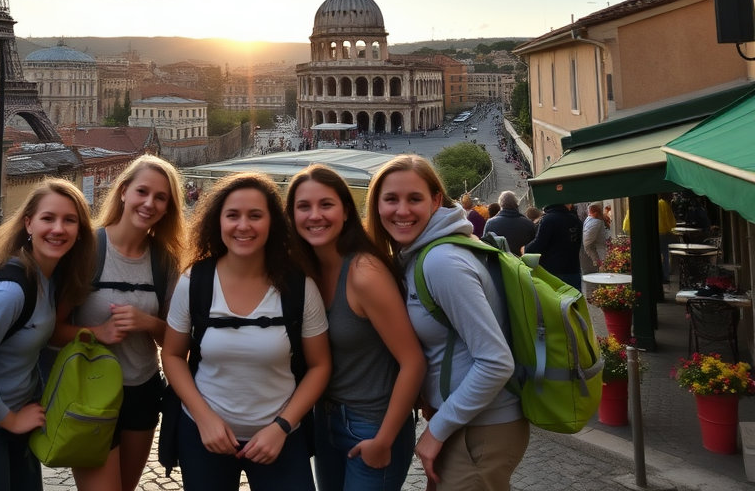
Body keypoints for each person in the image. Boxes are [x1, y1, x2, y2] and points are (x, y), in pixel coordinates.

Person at [161, 172, 331, 491]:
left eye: (255, 215)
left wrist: (282, 426)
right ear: (218, 222)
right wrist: (204, 418)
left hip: (279, 437)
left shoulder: (298, 287)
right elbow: (171, 355)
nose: (243, 226)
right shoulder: (194, 282)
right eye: (233, 215)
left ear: (272, 223)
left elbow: (320, 366)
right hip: (204, 435)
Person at [367, 156, 528, 491]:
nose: (402, 210)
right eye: (391, 199)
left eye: (414, 199)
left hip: (481, 430)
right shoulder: (421, 253)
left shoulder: (442, 262)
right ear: (376, 204)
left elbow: (496, 362)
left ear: (436, 200)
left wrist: (437, 430)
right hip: (468, 424)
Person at [0, 179, 95, 491]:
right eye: (48, 218)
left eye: (70, 220)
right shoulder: (10, 292)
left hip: (12, 423)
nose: (59, 228)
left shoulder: (48, 280)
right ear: (28, 223)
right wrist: (11, 420)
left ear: (80, 230)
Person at [285, 165, 424, 491]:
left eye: (326, 205)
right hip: (326, 420)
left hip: (372, 425)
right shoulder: (305, 271)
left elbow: (413, 361)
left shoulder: (364, 272)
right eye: (303, 206)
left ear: (346, 211)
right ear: (291, 216)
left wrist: (384, 439)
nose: (315, 215)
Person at [52, 155, 185, 491]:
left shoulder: (164, 260)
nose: (149, 203)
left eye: (161, 198)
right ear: (124, 191)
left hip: (141, 391)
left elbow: (174, 342)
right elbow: (51, 331)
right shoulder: (87, 250)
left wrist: (148, 323)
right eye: (142, 191)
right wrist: (97, 333)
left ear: (168, 207)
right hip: (89, 393)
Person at [524, 204, 583, 291]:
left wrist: (525, 249)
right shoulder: (575, 219)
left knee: (556, 301)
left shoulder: (548, 219)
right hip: (573, 269)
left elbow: (539, 243)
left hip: (553, 271)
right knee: (574, 301)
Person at [483, 192, 536, 256]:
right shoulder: (529, 224)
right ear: (516, 204)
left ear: (500, 205)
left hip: (499, 263)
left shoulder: (490, 224)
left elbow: (485, 247)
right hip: (522, 263)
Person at [581, 203, 607, 272]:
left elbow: (587, 240)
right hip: (598, 251)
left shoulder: (594, 221)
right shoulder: (596, 220)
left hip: (596, 252)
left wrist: (589, 254)